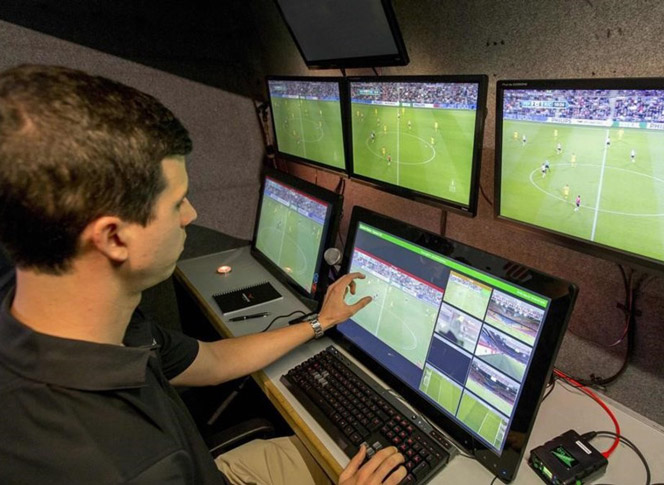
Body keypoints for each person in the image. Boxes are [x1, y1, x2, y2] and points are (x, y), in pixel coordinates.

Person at [0, 65, 406, 485]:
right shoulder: (117, 463)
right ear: (114, 237)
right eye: (177, 203)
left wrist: (320, 321)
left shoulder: (54, 311)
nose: (191, 215)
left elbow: (212, 361)